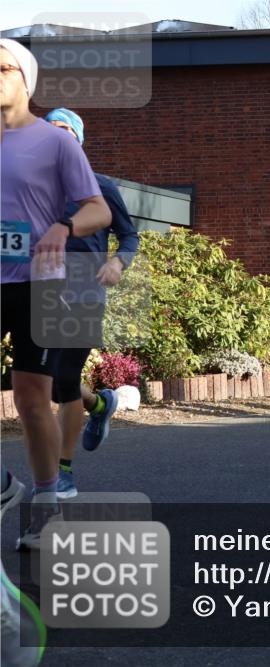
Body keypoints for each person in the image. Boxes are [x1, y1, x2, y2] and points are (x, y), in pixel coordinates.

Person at [1, 40, 112, 549]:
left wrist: (63, 226)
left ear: (27, 79)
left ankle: (46, 506)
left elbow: (99, 209)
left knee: (31, 398)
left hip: (40, 283)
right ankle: (5, 487)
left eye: (3, 68)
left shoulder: (55, 142)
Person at [45, 108, 140, 499]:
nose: (57, 136)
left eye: (65, 130)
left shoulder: (100, 189)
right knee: (50, 384)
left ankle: (62, 473)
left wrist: (118, 261)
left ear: (78, 141)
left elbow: (129, 236)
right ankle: (101, 405)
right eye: (50, 130)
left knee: (62, 379)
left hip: (86, 294)